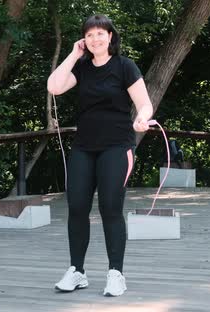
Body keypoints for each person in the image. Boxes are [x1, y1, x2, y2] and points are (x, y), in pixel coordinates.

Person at [47, 14, 153, 297]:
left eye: (100, 33)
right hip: (84, 147)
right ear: (84, 39)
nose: (95, 39)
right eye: (89, 34)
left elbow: (144, 104)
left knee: (110, 208)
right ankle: (77, 271)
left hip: (117, 147)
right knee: (77, 207)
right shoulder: (81, 68)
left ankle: (116, 273)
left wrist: (142, 119)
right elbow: (54, 87)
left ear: (110, 37)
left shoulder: (125, 67)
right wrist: (72, 54)